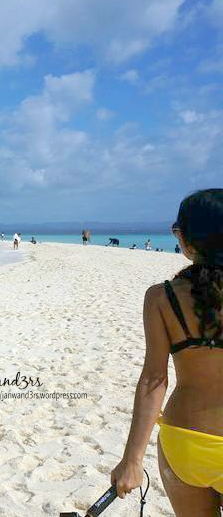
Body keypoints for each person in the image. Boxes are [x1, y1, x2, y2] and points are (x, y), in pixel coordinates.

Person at [110, 189, 223, 514]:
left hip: (185, 442)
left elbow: (153, 379)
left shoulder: (162, 298)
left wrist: (132, 460)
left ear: (184, 240)